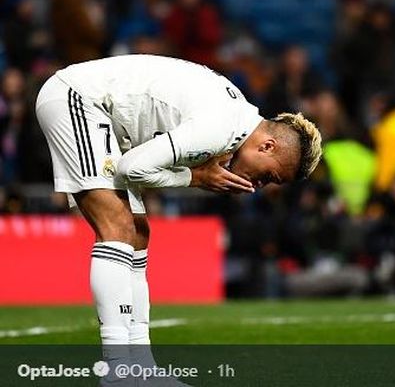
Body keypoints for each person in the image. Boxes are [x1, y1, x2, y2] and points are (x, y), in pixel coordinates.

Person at [34, 54, 322, 381]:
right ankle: (117, 371)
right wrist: (196, 179)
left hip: (105, 117)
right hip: (78, 98)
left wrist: (192, 175)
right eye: (270, 176)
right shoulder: (219, 128)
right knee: (117, 228)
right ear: (267, 146)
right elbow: (132, 168)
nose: (260, 185)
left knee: (138, 234)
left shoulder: (237, 118)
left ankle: (141, 367)